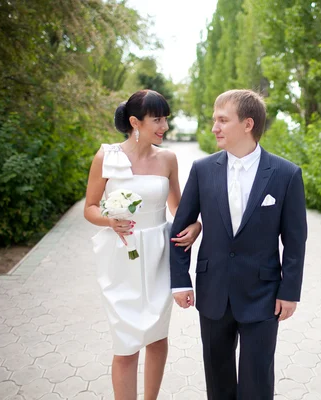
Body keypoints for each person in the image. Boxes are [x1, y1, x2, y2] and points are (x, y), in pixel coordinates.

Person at [169, 89, 308, 399]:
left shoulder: (286, 174)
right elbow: (180, 230)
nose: (214, 127)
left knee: (257, 377)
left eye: (222, 120)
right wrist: (180, 282)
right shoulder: (203, 170)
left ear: (247, 124)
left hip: (263, 293)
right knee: (217, 376)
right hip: (213, 289)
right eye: (214, 120)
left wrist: (290, 292)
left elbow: (296, 241)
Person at [84, 89, 202, 400]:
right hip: (120, 255)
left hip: (159, 256)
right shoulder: (105, 156)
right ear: (135, 121)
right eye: (157, 120)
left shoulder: (168, 159)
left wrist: (196, 226)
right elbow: (90, 207)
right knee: (125, 344)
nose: (164, 126)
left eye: (166, 119)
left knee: (157, 336)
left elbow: (179, 210)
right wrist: (110, 221)